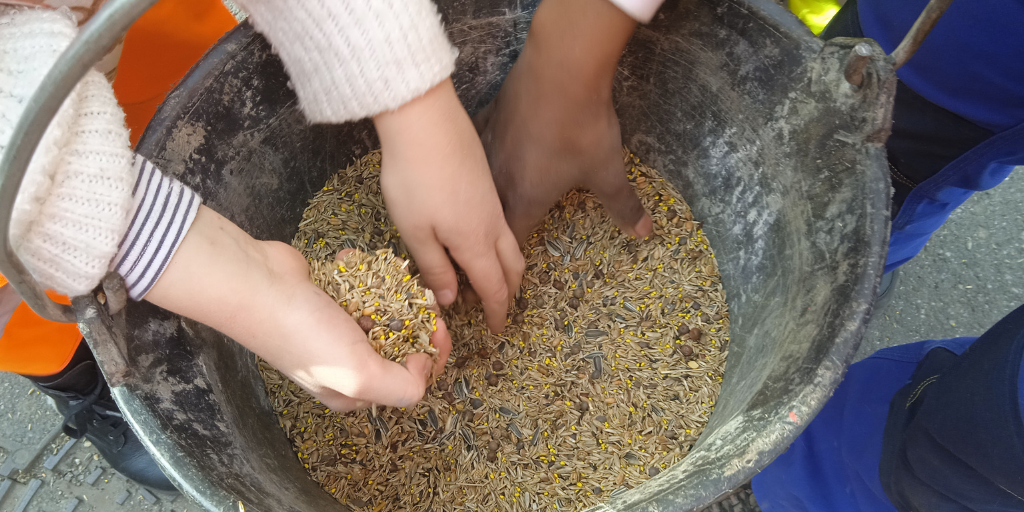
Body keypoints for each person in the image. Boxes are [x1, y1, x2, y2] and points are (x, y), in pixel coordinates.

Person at [472, 0, 1023, 511]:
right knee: (882, 155)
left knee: (863, 235)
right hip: (966, 55)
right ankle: (807, 471)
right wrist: (564, 63)